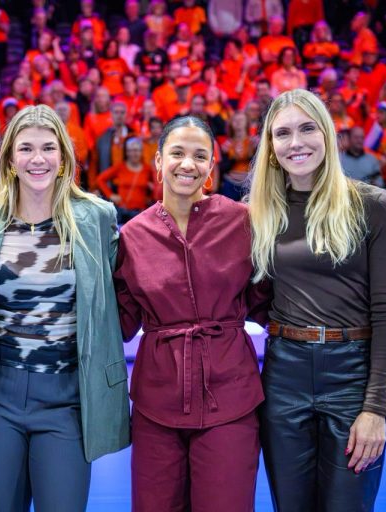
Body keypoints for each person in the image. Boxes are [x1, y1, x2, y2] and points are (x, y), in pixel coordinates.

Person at [0, 104, 130, 512]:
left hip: (67, 399)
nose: (38, 159)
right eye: (27, 149)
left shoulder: (97, 218)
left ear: (64, 158)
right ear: (10, 161)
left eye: (48, 148)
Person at [249, 89, 386, 512]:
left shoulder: (372, 205)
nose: (295, 142)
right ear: (271, 148)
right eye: (282, 133)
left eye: (307, 128)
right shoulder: (259, 211)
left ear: (328, 134)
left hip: (352, 380)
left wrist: (375, 409)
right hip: (284, 378)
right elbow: (248, 294)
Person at [113, 116, 270, 511]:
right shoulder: (132, 235)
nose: (188, 164)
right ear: (158, 161)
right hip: (157, 399)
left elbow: (267, 300)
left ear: (212, 166)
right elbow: (121, 321)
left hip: (231, 394)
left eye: (200, 156)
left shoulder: (242, 222)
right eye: (177, 153)